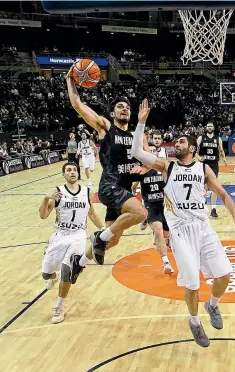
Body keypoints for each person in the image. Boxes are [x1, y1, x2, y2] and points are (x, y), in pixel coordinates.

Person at [130, 99, 235, 347]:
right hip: (181, 232)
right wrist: (141, 123)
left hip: (203, 228)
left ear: (193, 148)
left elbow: (224, 194)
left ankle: (212, 305)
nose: (177, 143)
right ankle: (195, 322)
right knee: (193, 283)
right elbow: (137, 153)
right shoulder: (167, 166)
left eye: (182, 141)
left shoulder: (204, 169)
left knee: (225, 275)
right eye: (177, 141)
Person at [65, 64, 150, 269]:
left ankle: (79, 262)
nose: (125, 109)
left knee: (113, 239)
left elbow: (150, 161)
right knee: (140, 214)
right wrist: (70, 80)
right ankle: (99, 238)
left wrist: (145, 169)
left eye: (127, 107)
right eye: (120, 106)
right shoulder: (106, 128)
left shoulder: (137, 136)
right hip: (110, 186)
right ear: (112, 113)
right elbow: (77, 104)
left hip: (124, 191)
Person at [38, 162, 104, 324]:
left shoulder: (87, 192)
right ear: (64, 174)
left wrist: (103, 229)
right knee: (46, 274)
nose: (72, 172)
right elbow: (43, 215)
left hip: (78, 236)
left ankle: (59, 306)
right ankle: (54, 276)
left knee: (68, 270)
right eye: (68, 170)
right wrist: (46, 198)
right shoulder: (57, 193)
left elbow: (91, 213)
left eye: (75, 170)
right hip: (60, 236)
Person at [133, 131, 174, 275]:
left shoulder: (162, 168)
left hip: (165, 206)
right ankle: (166, 262)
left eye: (152, 152)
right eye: (148, 152)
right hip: (151, 205)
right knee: (158, 231)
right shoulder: (142, 171)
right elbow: (133, 188)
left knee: (167, 234)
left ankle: (166, 242)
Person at [196, 122, 228, 218]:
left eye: (211, 126)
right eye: (208, 126)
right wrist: (198, 157)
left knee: (214, 187)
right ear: (206, 128)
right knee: (203, 187)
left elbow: (221, 150)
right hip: (203, 164)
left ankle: (213, 209)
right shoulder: (201, 138)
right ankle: (202, 208)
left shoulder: (218, 138)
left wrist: (224, 159)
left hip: (214, 164)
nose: (209, 127)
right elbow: (194, 150)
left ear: (213, 128)